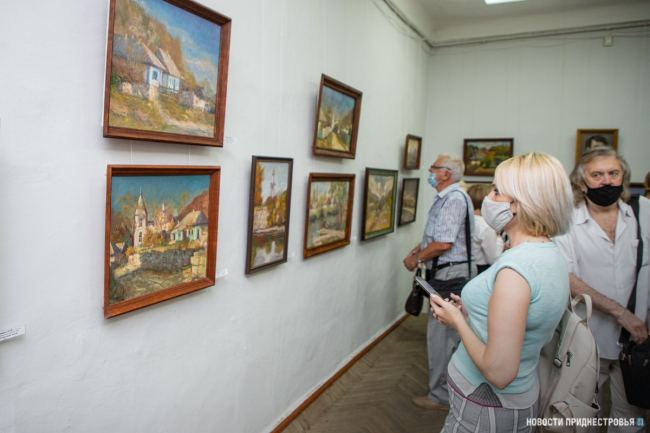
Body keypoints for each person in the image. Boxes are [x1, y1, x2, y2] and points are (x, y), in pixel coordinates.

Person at [430, 152, 573, 432]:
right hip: (511, 396)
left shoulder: (516, 269)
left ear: (520, 204)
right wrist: (471, 312)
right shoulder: (545, 251)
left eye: (496, 191)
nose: (488, 198)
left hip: (485, 404)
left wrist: (457, 322)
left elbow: (499, 373)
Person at [553, 148, 650, 433]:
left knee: (632, 418)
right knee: (581, 417)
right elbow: (567, 277)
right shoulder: (568, 218)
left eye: (613, 173)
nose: (607, 181)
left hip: (638, 339)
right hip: (586, 337)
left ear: (623, 177)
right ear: (581, 183)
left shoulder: (644, 211)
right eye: (597, 175)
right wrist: (621, 313)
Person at [403, 153, 477, 411]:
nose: (429, 172)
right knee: (444, 337)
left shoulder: (454, 199)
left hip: (450, 276)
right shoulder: (446, 197)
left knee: (442, 339)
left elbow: (443, 244)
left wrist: (417, 258)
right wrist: (417, 252)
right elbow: (434, 238)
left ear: (445, 173)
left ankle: (441, 397)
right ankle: (447, 392)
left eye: (433, 168)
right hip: (446, 273)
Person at [467, 184, 505, 274]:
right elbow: (493, 259)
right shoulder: (485, 226)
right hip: (482, 269)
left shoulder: (464, 221)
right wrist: (499, 239)